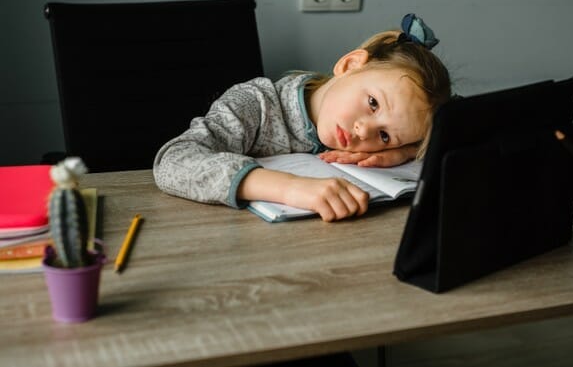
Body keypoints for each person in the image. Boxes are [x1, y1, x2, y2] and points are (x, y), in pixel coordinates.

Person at [153, 13, 451, 222]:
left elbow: (462, 127)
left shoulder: (376, 145)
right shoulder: (256, 103)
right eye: (372, 104)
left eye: (384, 135)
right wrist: (290, 188)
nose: (364, 131)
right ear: (350, 64)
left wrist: (404, 151)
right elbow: (172, 161)